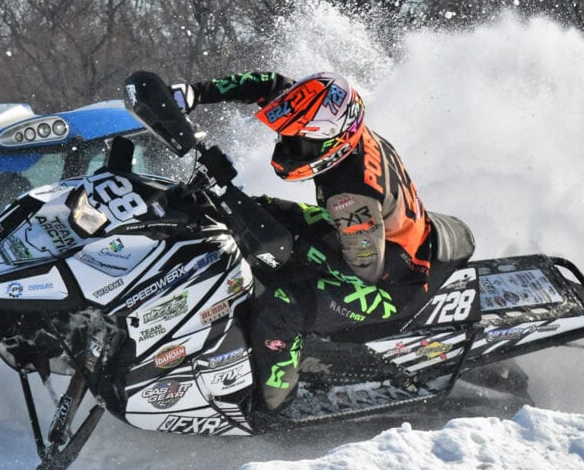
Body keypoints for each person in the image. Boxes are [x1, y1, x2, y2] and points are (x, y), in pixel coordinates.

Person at [171, 70, 444, 411]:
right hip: (384, 237)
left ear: (330, 140)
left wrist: (295, 246)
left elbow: (363, 271)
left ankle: (274, 406)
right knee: (259, 213)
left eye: (299, 141)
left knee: (280, 306)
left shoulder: (350, 194)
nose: (288, 146)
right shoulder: (328, 116)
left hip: (392, 280)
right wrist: (195, 93)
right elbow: (269, 85)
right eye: (287, 136)